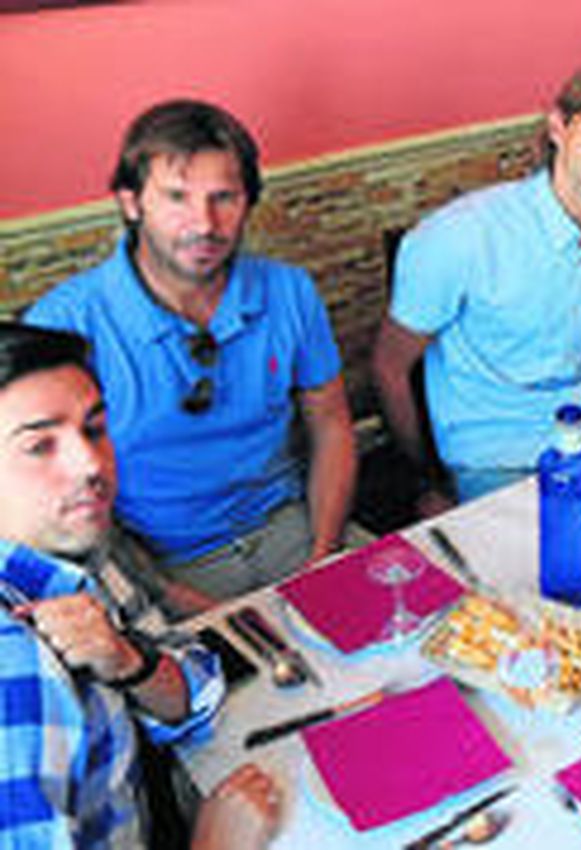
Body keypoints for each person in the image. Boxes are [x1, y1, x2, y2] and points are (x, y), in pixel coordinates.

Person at [26, 99, 356, 612]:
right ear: (132, 202)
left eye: (224, 197)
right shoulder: (65, 324)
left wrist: (323, 556)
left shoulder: (289, 290)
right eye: (177, 197)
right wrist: (183, 602)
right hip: (159, 565)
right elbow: (59, 500)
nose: (204, 223)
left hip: (294, 528)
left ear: (248, 201)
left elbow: (332, 424)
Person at [0, 323, 280, 850]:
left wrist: (129, 661)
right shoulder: (14, 660)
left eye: (94, 428)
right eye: (40, 446)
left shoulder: (79, 548)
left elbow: (198, 677)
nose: (90, 464)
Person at [373, 65, 581, 507]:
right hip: (495, 455)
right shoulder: (458, 237)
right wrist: (426, 481)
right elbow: (390, 367)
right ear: (558, 127)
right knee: (560, 567)